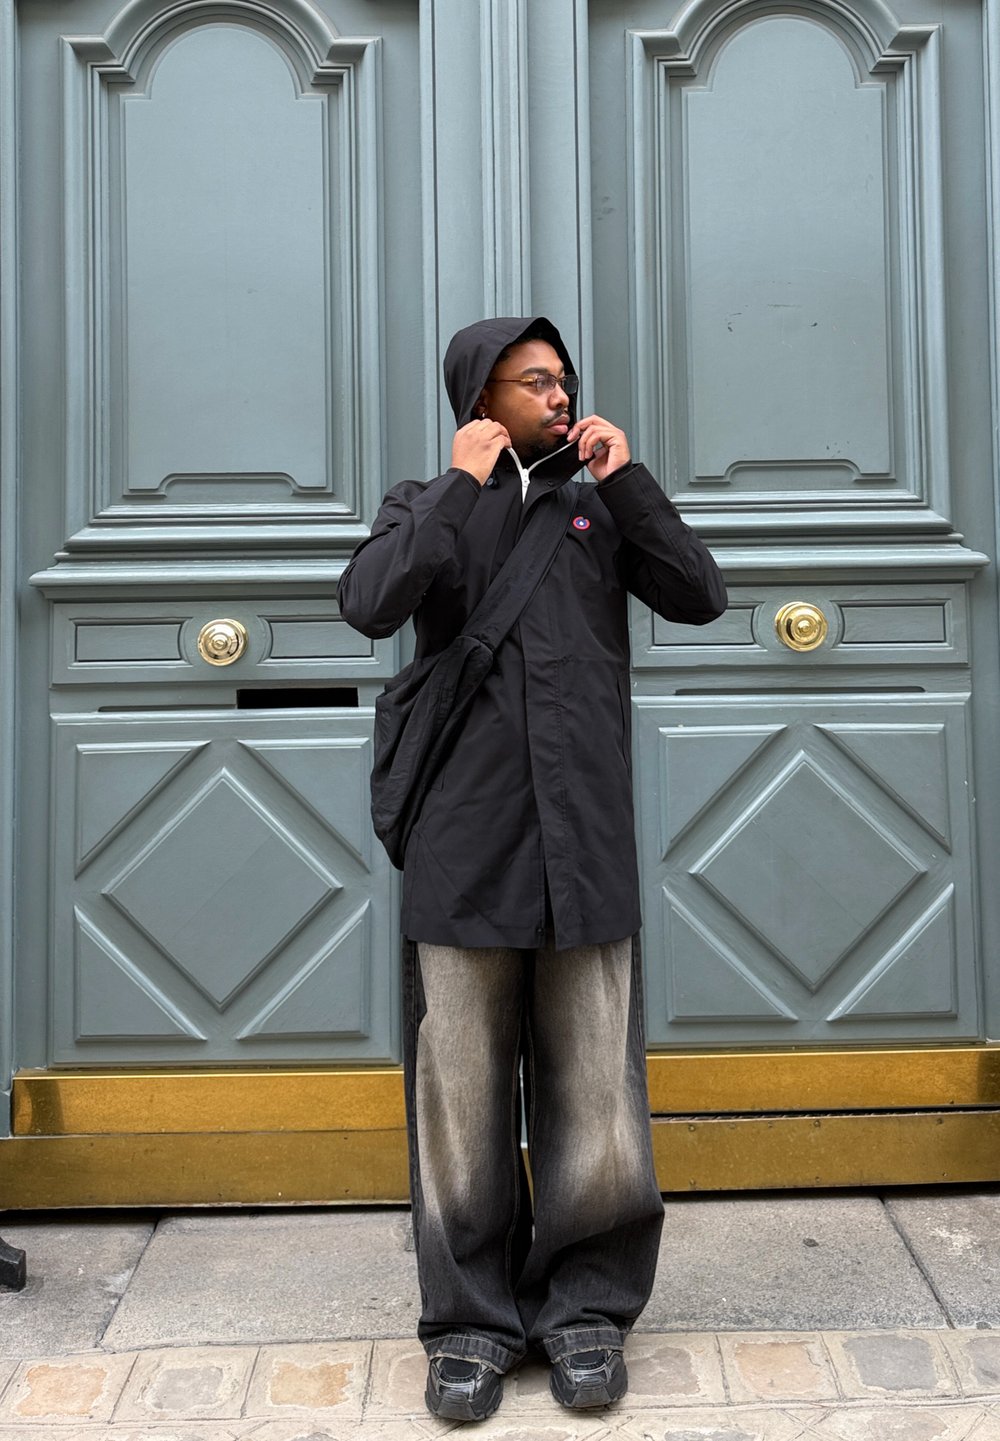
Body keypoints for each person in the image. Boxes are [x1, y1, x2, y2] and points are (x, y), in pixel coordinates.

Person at [338, 316, 727, 1422]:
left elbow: (698, 592)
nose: (559, 396)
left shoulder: (602, 505)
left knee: (595, 1090)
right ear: (481, 393)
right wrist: (460, 486)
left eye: (564, 380)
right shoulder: (428, 502)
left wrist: (633, 477)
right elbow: (370, 604)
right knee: (460, 1095)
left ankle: (586, 1312)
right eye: (534, 381)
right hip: (465, 840)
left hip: (584, 833)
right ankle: (467, 1324)